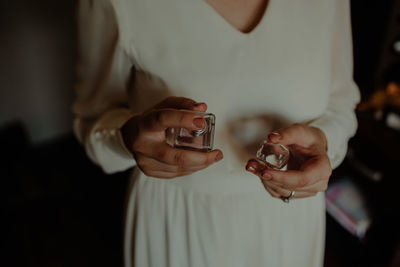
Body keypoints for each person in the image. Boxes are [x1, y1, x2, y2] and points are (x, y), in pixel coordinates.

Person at [73, 0, 360, 266]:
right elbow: (93, 119)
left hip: (289, 222)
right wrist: (126, 139)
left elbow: (340, 103)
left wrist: (325, 143)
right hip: (176, 221)